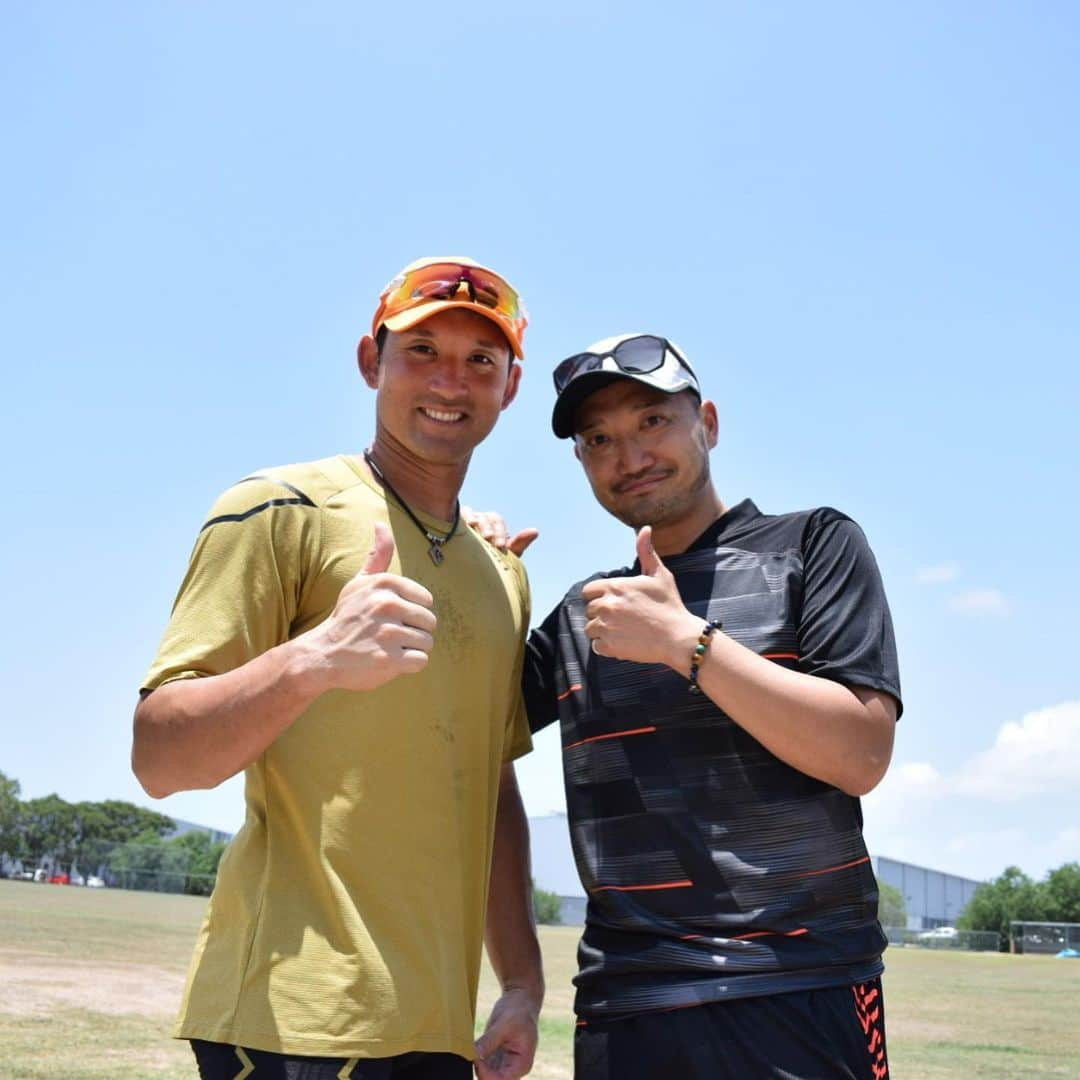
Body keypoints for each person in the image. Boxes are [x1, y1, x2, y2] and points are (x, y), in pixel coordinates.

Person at [132, 257, 544, 1080]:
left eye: (480, 361)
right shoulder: (276, 509)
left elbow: (491, 787)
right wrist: (315, 657)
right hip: (293, 1023)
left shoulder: (502, 572)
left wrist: (524, 984)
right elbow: (159, 758)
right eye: (422, 350)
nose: (451, 381)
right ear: (371, 362)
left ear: (511, 388)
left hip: (435, 1029)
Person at [520, 333, 901, 1079]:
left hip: (801, 988)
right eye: (600, 438)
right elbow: (453, 719)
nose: (629, 456)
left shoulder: (813, 545)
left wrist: (686, 643)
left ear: (710, 424)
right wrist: (472, 569)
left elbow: (860, 754)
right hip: (625, 1007)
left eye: (652, 422)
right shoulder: (584, 613)